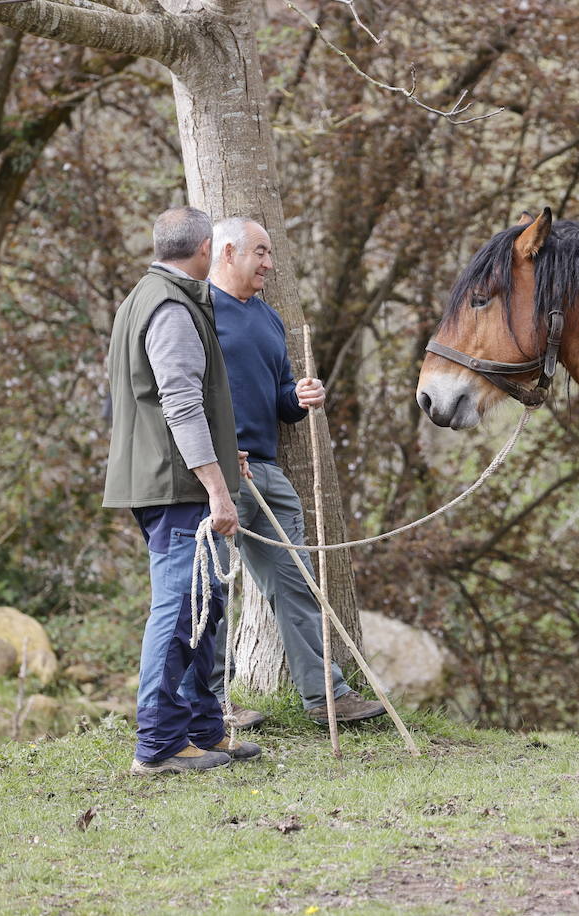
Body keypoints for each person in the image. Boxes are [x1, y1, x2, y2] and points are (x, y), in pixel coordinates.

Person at [203, 216, 385, 727]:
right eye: (261, 252)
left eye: (270, 254)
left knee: (296, 583)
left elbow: (282, 401)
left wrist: (302, 398)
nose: (269, 263)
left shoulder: (268, 318)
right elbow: (181, 394)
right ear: (229, 251)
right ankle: (211, 704)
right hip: (215, 475)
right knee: (210, 589)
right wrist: (217, 457)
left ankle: (327, 695)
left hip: (265, 471)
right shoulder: (197, 312)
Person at [103, 206, 262, 775]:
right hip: (177, 490)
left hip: (176, 477)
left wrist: (222, 451)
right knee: (177, 612)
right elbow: (179, 404)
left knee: (205, 606)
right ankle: (159, 746)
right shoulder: (171, 307)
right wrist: (217, 488)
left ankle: (203, 731)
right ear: (201, 251)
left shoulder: (146, 298)